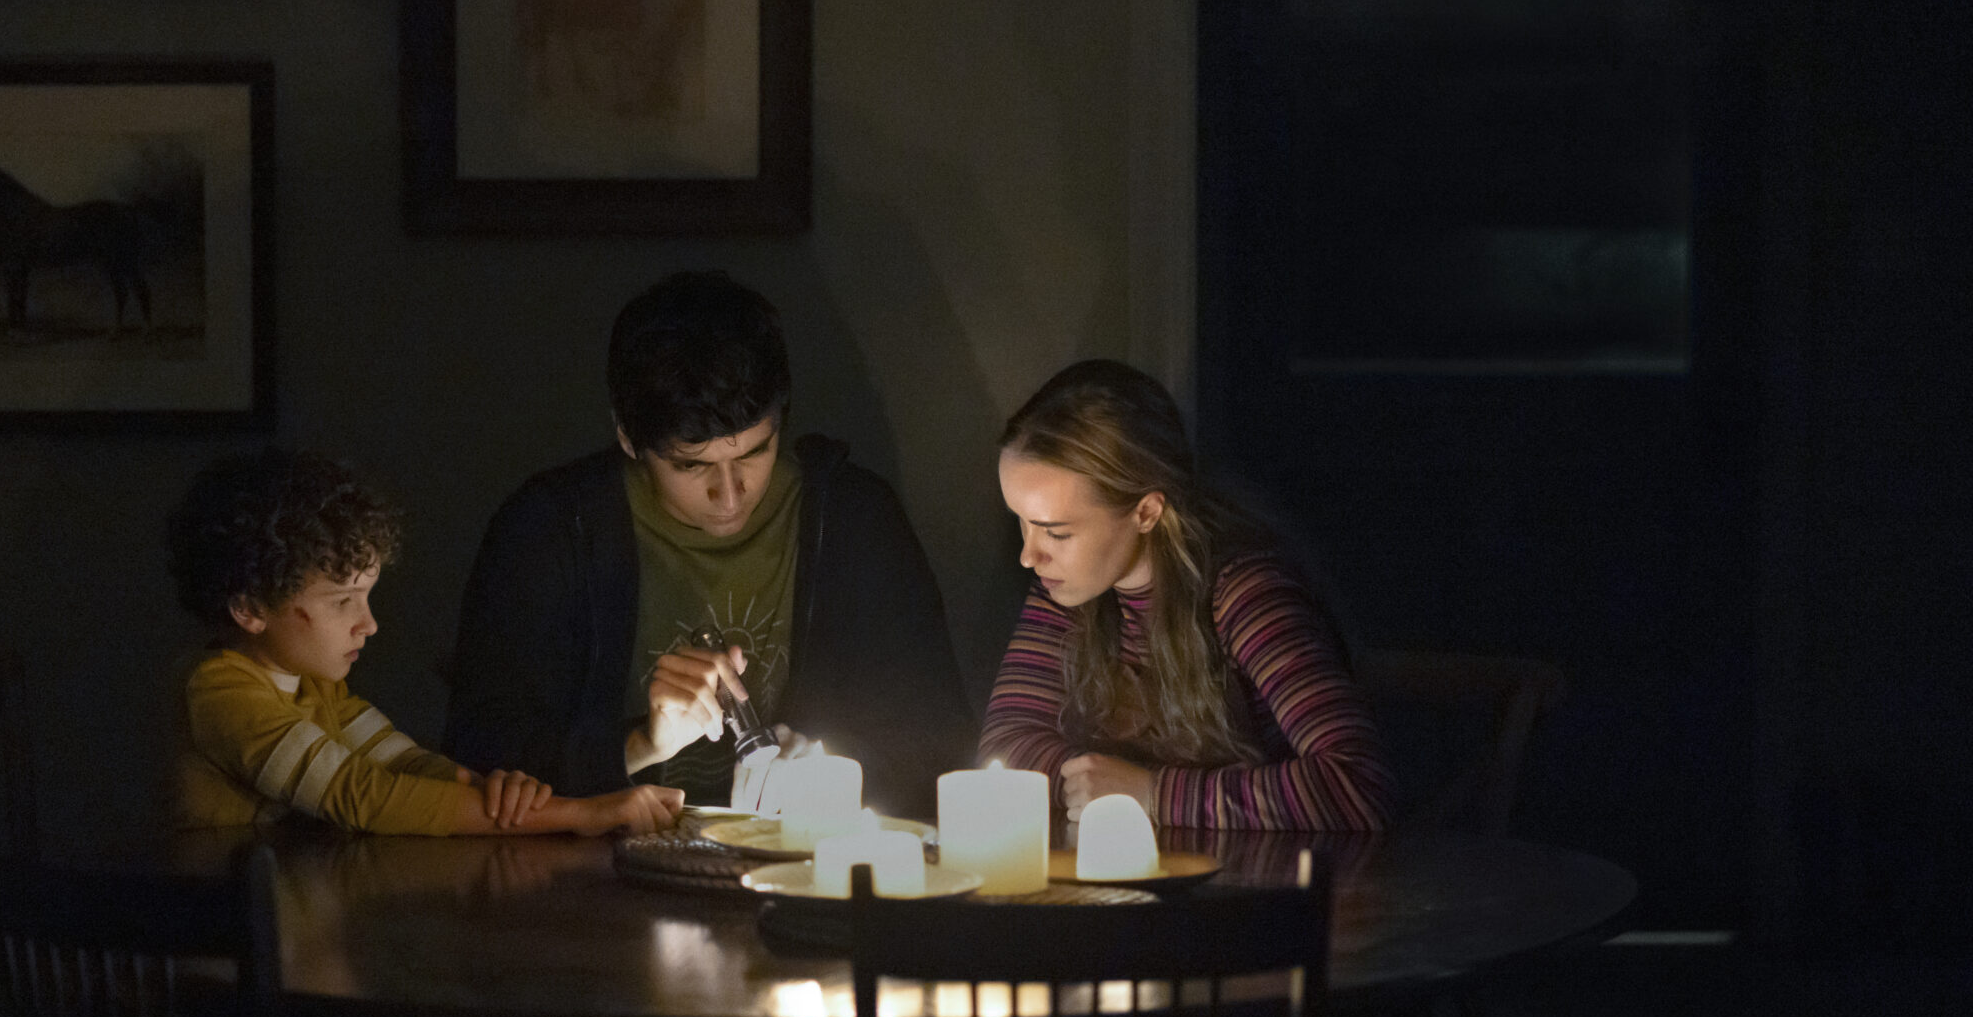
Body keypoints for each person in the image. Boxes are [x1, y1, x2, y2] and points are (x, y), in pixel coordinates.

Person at [444, 271, 973, 817]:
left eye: (752, 454)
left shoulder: (852, 518)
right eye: (691, 465)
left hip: (804, 872)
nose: (729, 495)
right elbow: (480, 753)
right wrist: (641, 744)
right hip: (594, 875)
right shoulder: (553, 527)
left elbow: (937, 744)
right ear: (628, 437)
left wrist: (834, 770)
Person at [169, 447, 684, 836]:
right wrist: (576, 813)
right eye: (342, 601)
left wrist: (496, 792)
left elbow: (405, 763)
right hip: (238, 960)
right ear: (250, 609)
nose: (367, 624)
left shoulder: (316, 689)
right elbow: (364, 796)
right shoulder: (220, 692)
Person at [980, 359, 1396, 830]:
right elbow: (1006, 744)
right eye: (1022, 521)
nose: (1029, 556)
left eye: (1055, 532)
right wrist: (1097, 784)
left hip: (1263, 890)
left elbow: (1357, 784)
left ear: (1146, 512)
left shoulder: (1242, 595)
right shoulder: (1070, 588)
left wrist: (1152, 792)